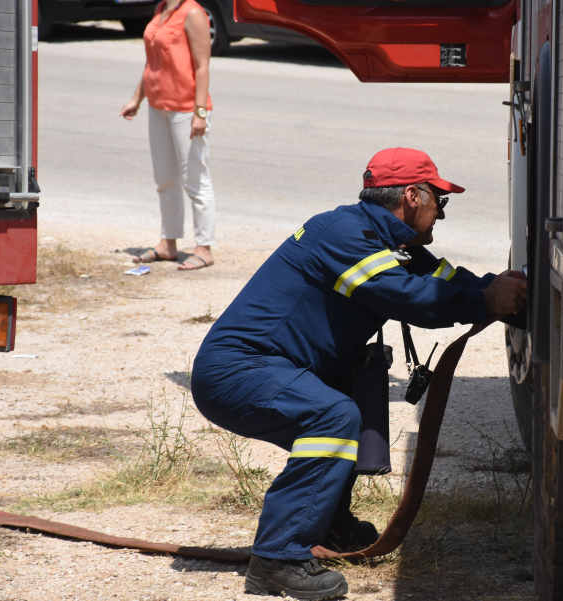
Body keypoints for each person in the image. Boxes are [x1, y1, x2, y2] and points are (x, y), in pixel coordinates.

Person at [190, 148, 527, 600]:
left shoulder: (386, 240)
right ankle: (278, 558)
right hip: (238, 371)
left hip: (273, 366)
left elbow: (451, 282)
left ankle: (328, 523)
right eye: (438, 202)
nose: (440, 215)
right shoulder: (345, 233)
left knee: (348, 395)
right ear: (412, 195)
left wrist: (514, 298)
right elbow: (401, 296)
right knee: (332, 417)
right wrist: (486, 303)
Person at [118, 0, 217, 271]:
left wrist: (200, 112)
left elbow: (202, 66)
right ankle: (168, 244)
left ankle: (204, 248)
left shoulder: (193, 12)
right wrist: (136, 99)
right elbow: (152, 63)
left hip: (186, 109)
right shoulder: (162, 9)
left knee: (195, 178)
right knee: (165, 179)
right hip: (158, 106)